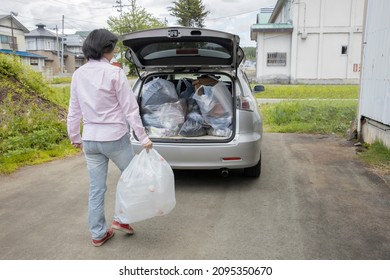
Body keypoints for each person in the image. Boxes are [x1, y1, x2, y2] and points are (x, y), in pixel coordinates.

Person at [67, 29, 153, 247]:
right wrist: (143, 137)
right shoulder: (115, 73)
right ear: (106, 48)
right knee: (132, 177)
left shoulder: (78, 74)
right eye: (113, 47)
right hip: (114, 137)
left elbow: (74, 109)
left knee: (96, 188)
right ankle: (122, 219)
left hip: (90, 139)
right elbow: (130, 108)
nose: (114, 51)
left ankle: (98, 233)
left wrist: (74, 135)